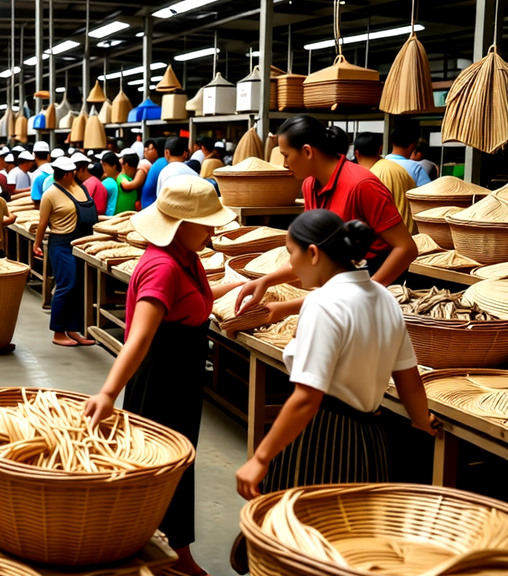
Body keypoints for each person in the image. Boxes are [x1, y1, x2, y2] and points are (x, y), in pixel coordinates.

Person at [84, 176, 244, 576]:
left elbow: (195, 301)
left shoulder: (185, 258)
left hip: (183, 373)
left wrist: (246, 286)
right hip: (161, 377)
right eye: (206, 222)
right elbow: (139, 339)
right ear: (181, 224)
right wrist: (107, 392)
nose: (213, 230)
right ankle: (149, 551)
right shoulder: (162, 267)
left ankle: (175, 550)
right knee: (160, 465)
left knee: (180, 463)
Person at [235, 210, 438, 500]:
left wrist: (261, 458)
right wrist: (421, 419)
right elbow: (408, 378)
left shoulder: (322, 303)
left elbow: (307, 397)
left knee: (305, 531)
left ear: (314, 253)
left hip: (320, 437)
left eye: (291, 253)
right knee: (352, 533)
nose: (290, 263)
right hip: (370, 441)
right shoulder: (384, 298)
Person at [233, 115, 418, 327]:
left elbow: (406, 249)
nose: (284, 164)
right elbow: (310, 254)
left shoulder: (361, 185)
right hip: (337, 282)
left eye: (286, 155)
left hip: (371, 280)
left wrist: (369, 289)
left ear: (307, 151)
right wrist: (265, 281)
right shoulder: (310, 185)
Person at [33, 156, 98, 347]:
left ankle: (73, 329)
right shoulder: (50, 194)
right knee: (66, 285)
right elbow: (43, 223)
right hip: (61, 244)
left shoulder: (80, 187)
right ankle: (58, 331)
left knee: (79, 286)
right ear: (68, 173)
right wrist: (36, 244)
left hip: (81, 243)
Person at [353, 132, 416, 233]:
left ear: (357, 153)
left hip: (393, 238)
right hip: (408, 236)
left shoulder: (372, 176)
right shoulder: (395, 168)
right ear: (380, 149)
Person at [140, 138, 168, 209]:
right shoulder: (159, 163)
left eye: (151, 149)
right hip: (151, 208)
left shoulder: (160, 163)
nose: (146, 151)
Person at [101, 152, 124, 217]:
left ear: (114, 166)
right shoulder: (108, 180)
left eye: (105, 165)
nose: (103, 168)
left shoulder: (120, 180)